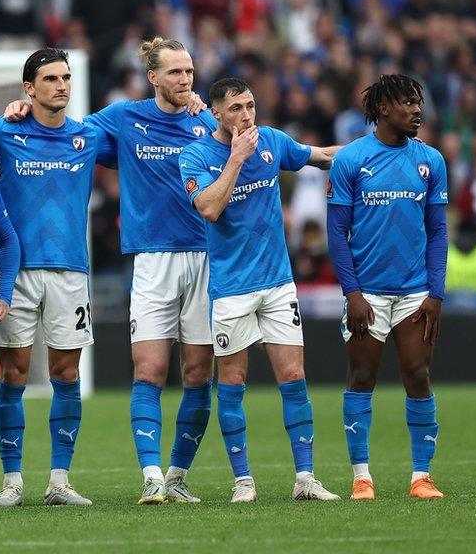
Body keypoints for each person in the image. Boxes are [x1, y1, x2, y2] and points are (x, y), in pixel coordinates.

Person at [179, 77, 340, 503]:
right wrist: (235, 159)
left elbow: (322, 156)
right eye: (236, 109)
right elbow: (209, 208)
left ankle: (305, 479)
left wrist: (374, 149)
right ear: (216, 113)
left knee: (294, 377)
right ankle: (243, 481)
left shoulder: (271, 141)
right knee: (231, 383)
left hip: (278, 284)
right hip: (230, 289)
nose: (246, 115)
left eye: (250, 105)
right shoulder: (196, 154)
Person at [83, 38, 217, 504]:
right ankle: (152, 476)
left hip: (205, 256)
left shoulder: (209, 121)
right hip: (152, 260)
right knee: (149, 370)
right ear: (153, 77)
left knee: (199, 373)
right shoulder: (123, 118)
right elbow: (67, 134)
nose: (185, 79)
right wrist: (24, 109)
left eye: (189, 71)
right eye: (175, 72)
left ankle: (178, 475)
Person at [0, 48, 100, 507]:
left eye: (65, 77)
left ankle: (60, 481)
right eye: (50, 79)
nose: (62, 85)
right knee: (15, 373)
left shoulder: (90, 134)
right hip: (14, 273)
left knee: (67, 373)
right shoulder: (1, 131)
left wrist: (197, 107)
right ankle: (12, 482)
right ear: (29, 88)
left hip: (70, 272)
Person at [327, 74, 448, 500]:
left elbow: (438, 232)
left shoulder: (431, 161)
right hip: (368, 293)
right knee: (361, 376)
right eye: (407, 102)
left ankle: (421, 476)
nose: (418, 109)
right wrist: (352, 293)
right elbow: (336, 232)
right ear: (382, 109)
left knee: (418, 374)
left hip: (416, 290)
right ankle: (362, 476)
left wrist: (436, 293)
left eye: (419, 102)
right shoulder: (351, 160)